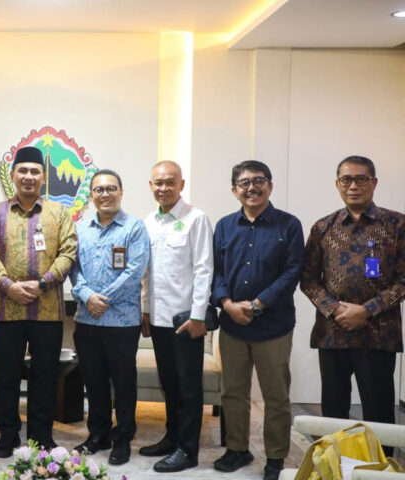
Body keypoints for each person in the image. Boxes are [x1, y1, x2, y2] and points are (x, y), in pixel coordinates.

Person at [301, 155, 405, 456]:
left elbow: (403, 280)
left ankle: (380, 467)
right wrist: (335, 309)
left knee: (379, 409)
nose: (353, 185)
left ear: (373, 182)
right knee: (333, 409)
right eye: (346, 179)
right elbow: (308, 279)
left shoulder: (397, 224)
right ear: (337, 185)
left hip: (378, 333)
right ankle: (334, 466)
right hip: (333, 333)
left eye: (361, 179)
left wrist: (367, 310)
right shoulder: (323, 227)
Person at [0, 146, 78, 458]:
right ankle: (8, 435)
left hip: (47, 311)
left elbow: (68, 252)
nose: (29, 176)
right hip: (6, 310)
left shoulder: (60, 214)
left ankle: (41, 436)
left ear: (43, 177)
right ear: (13, 176)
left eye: (35, 171)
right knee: (6, 376)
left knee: (45, 376)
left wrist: (42, 283)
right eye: (23, 171)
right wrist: (8, 285)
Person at [211, 161, 304, 480]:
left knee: (275, 395)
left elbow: (293, 271)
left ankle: (276, 456)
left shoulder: (289, 225)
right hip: (232, 325)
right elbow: (218, 271)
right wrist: (226, 303)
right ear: (234, 189)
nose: (252, 187)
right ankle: (237, 449)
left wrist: (257, 304)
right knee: (233, 392)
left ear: (270, 185)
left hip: (274, 326)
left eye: (258, 180)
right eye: (244, 182)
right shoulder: (224, 225)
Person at [70, 169, 150, 465]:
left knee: (123, 382)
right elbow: (72, 268)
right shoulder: (80, 228)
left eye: (111, 188)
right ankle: (98, 435)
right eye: (99, 189)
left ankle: (123, 437)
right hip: (87, 319)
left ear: (121, 192)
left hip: (122, 322)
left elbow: (135, 271)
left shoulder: (134, 227)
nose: (105, 194)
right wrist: (86, 295)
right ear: (91, 195)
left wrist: (103, 299)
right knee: (94, 380)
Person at [139, 160, 213, 473]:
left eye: (170, 182)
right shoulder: (148, 222)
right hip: (158, 319)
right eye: (158, 183)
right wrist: (144, 309)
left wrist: (199, 316)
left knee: (188, 387)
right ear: (151, 185)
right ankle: (172, 437)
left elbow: (204, 269)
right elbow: (147, 272)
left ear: (181, 184)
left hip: (186, 321)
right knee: (169, 382)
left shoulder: (196, 219)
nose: (164, 188)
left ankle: (188, 449)